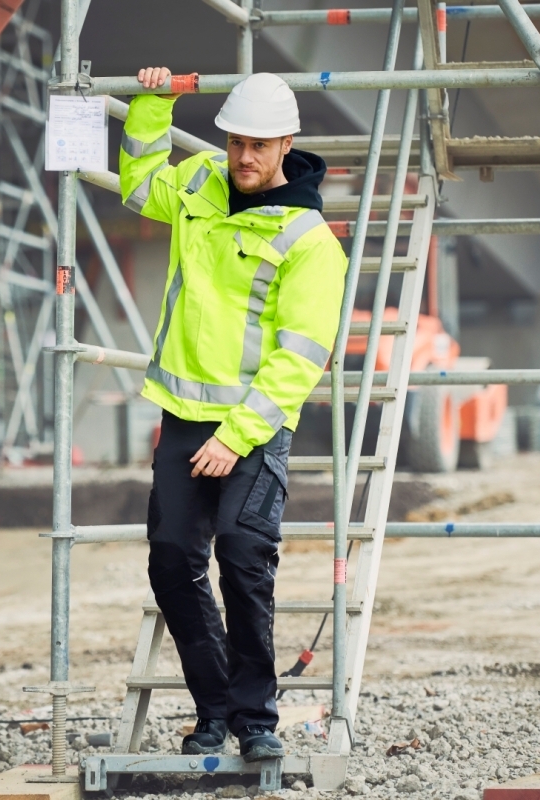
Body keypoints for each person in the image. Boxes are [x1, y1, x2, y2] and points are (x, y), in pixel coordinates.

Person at [120, 67, 347, 762]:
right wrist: (153, 104)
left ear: (286, 145)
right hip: (183, 417)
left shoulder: (310, 240)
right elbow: (136, 184)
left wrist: (236, 435)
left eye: (258, 146)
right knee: (169, 562)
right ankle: (212, 710)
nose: (242, 158)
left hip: (254, 427)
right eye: (233, 143)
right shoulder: (197, 188)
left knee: (245, 563)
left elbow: (299, 357)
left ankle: (257, 718)